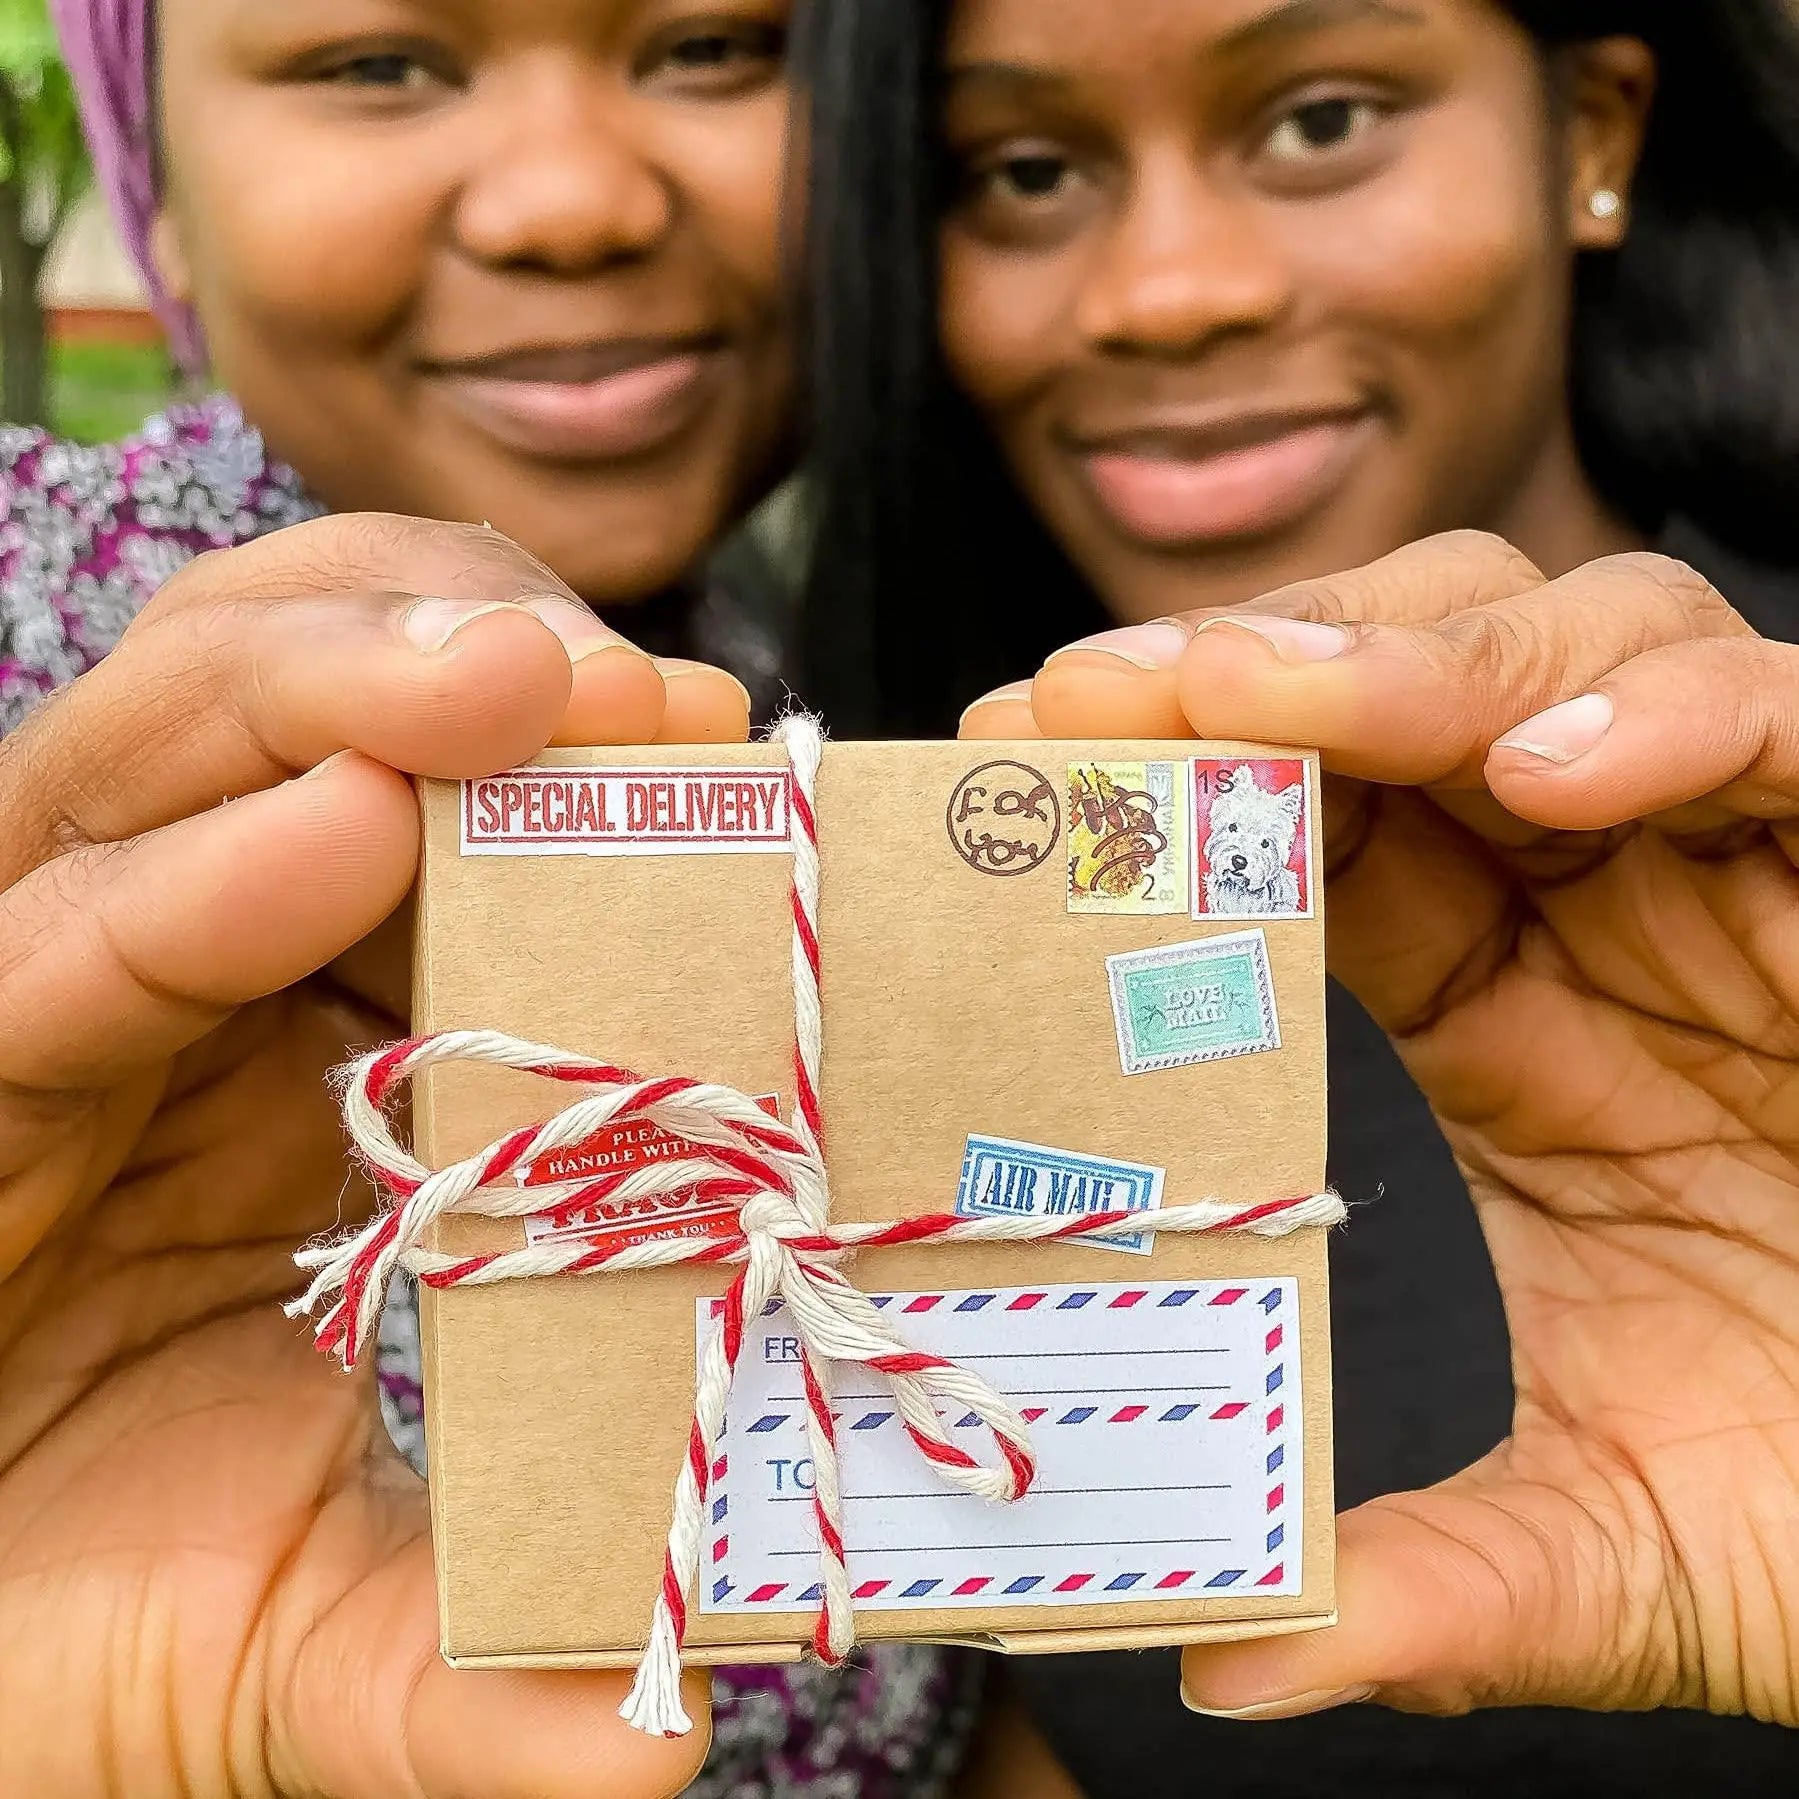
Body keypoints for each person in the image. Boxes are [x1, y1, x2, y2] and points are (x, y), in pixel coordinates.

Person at [798, 0, 1799, 1790]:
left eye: (1325, 118)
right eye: (1024, 171)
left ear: (1596, 130)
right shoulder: (875, 927)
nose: (1170, 289)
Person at [0, 1, 992, 1793]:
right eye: (378, 64)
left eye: (712, 47)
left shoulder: (857, 725)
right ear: (153, 191)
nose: (567, 204)